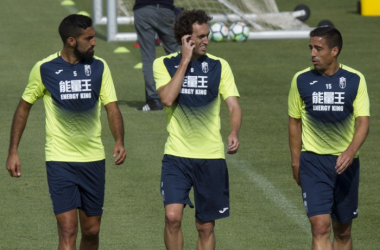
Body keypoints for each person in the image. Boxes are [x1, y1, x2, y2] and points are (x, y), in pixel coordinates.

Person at [5, 14, 126, 250]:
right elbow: (23, 107)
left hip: (93, 160)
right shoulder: (45, 69)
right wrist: (13, 151)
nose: (94, 42)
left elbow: (111, 108)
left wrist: (119, 140)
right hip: (60, 160)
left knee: (91, 231)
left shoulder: (99, 67)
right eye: (88, 38)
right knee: (68, 231)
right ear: (71, 41)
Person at [153, 9, 242, 250]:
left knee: (206, 226)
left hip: (210, 157)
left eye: (207, 35)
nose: (206, 40)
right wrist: (184, 60)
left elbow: (233, 105)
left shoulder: (219, 66)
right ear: (185, 38)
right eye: (200, 36)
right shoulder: (163, 64)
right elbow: (168, 99)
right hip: (176, 156)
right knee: (172, 217)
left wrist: (234, 132)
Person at [288, 26, 370, 250]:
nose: (313, 53)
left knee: (343, 230)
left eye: (318, 48)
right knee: (320, 226)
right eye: (311, 48)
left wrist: (350, 151)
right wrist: (296, 161)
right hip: (313, 162)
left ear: (334, 51)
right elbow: (294, 122)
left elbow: (363, 122)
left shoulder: (355, 79)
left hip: (346, 164)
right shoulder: (301, 80)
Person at [133, 0, 181, 111]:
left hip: (143, 9)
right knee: (178, 55)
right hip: (166, 9)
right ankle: (187, 93)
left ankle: (153, 101)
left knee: (148, 57)